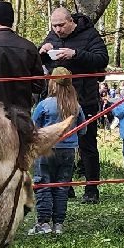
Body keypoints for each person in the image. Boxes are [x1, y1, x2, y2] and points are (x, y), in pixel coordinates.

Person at [40, 7, 109, 202]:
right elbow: (44, 64)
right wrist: (42, 53)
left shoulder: (89, 34)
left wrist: (76, 54)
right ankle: (65, 185)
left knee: (87, 144)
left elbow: (102, 59)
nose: (58, 29)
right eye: (54, 26)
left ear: (71, 22)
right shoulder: (52, 36)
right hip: (58, 99)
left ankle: (92, 189)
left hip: (85, 98)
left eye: (61, 25)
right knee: (58, 143)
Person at [28, 70, 81, 234]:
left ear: (52, 84)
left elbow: (32, 125)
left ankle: (43, 223)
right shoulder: (76, 106)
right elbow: (83, 129)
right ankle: (58, 224)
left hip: (47, 150)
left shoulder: (44, 104)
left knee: (43, 184)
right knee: (62, 187)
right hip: (69, 151)